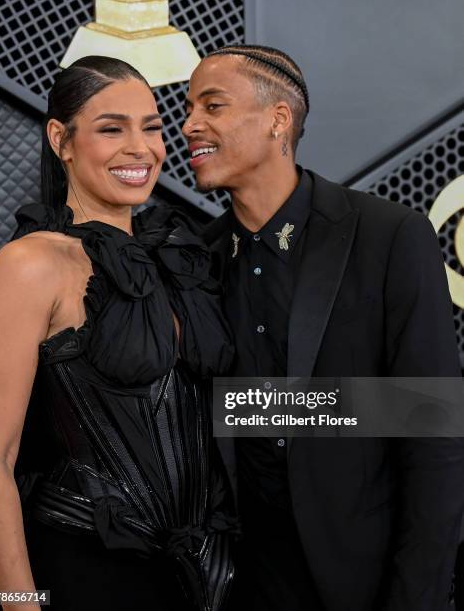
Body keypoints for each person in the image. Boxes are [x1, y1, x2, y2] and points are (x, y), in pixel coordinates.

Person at [182, 44, 464, 610]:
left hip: (367, 581)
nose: (189, 126)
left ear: (277, 120)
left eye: (212, 106)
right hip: (238, 585)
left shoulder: (387, 235)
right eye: (189, 108)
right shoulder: (194, 260)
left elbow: (433, 432)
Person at [0, 55, 238, 611]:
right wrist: (21, 604)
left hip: (206, 577)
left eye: (151, 127)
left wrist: (386, 415)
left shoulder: (181, 255)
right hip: (85, 576)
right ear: (61, 139)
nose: (140, 148)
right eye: (111, 128)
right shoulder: (30, 265)